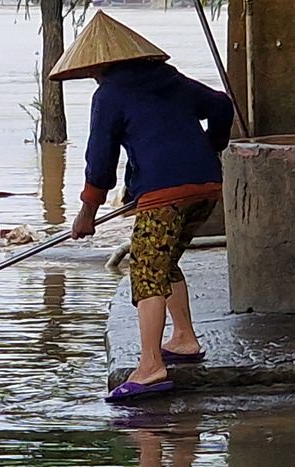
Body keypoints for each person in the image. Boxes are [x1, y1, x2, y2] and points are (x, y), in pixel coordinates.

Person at [49, 11, 234, 403]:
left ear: (101, 64)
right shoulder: (173, 80)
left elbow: (99, 159)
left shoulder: (109, 95)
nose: (94, 79)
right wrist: (211, 147)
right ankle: (183, 338)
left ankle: (150, 365)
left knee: (146, 270)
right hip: (206, 187)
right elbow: (220, 106)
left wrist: (87, 212)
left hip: (165, 193)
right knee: (163, 260)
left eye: (94, 72)